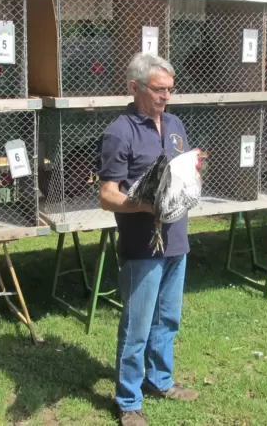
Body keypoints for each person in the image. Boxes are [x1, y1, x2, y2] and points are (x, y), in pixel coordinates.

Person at [97, 53, 199, 426]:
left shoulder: (174, 123)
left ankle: (160, 380)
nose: (166, 97)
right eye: (159, 90)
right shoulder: (119, 132)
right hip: (142, 245)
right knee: (137, 327)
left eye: (171, 89)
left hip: (177, 240)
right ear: (135, 87)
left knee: (168, 319)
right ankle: (127, 401)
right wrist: (143, 205)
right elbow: (107, 195)